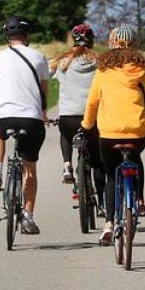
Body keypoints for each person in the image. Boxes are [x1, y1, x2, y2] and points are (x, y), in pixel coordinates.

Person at [81, 26, 145, 246]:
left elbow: (92, 101)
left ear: (111, 45)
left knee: (111, 176)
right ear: (135, 45)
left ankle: (109, 224)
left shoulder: (103, 70)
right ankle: (138, 200)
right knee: (135, 158)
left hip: (108, 133)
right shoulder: (142, 69)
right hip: (137, 131)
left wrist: (87, 124)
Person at [0, 17, 51, 235]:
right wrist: (43, 112)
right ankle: (28, 217)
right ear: (27, 36)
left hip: (5, 117)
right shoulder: (39, 57)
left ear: (7, 38)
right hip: (31, 119)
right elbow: (44, 90)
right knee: (29, 168)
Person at [51, 24, 101, 201]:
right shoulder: (100, 63)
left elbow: (46, 74)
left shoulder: (62, 62)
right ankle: (102, 202)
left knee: (65, 133)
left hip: (68, 116)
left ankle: (67, 165)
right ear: (92, 40)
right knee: (98, 161)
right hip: (92, 117)